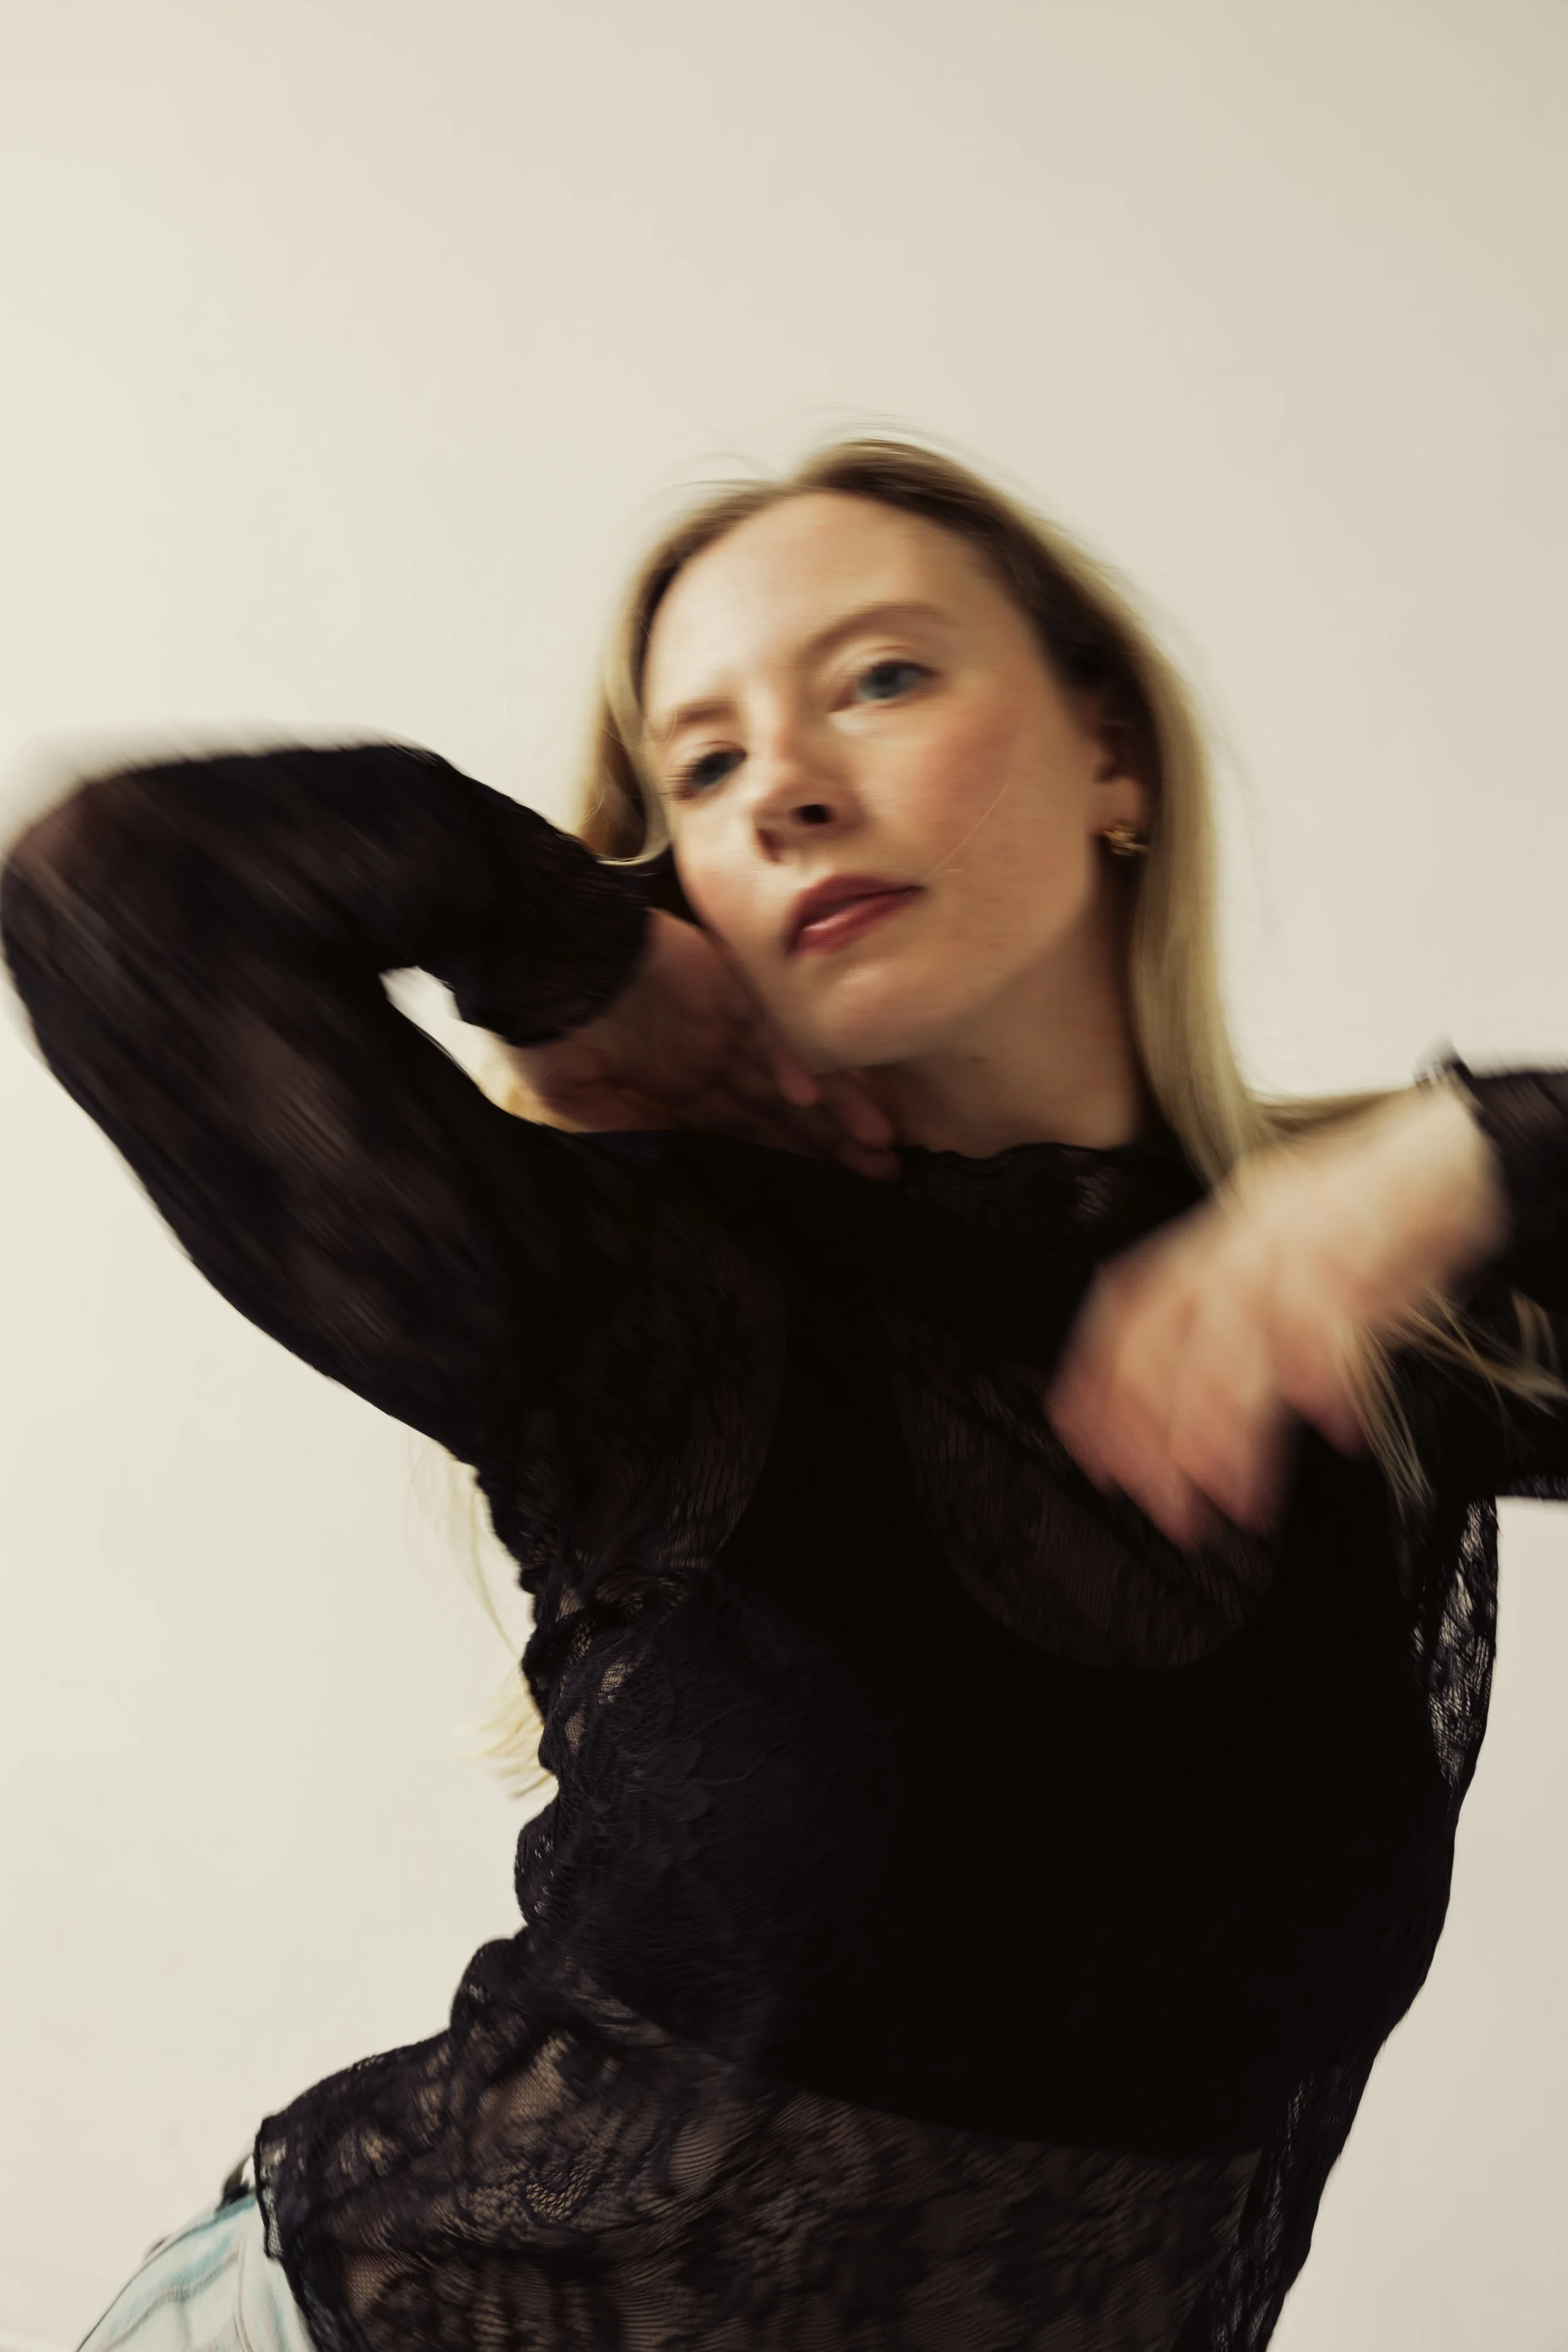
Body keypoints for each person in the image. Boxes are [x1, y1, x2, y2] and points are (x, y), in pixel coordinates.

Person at [4, 437, 1564, 2352]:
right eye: (706, 763)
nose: (788, 787)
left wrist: (1484, 1148)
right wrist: (571, 951)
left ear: (1112, 754)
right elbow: (117, 893)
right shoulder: (641, 1297)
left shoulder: (1398, 1322)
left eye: (880, 677)